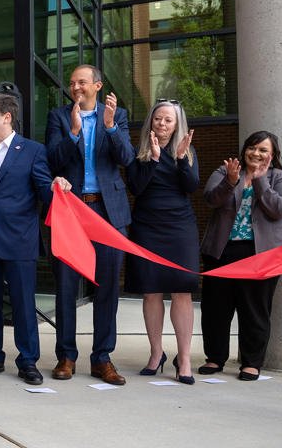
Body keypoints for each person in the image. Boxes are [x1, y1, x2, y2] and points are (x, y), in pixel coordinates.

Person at [0, 94, 70, 386]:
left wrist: (57, 186)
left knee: (23, 304)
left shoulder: (33, 151)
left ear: (6, 118)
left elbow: (44, 193)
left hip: (20, 241)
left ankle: (28, 361)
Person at [45, 64, 134, 385]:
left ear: (97, 85)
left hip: (108, 215)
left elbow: (126, 158)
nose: (76, 87)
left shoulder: (118, 115)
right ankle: (66, 356)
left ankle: (102, 359)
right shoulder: (58, 117)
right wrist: (72, 131)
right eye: (71, 83)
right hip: (71, 213)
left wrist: (109, 127)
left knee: (107, 288)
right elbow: (53, 160)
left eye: (82, 82)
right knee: (66, 287)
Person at [200, 131, 282, 381]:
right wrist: (231, 181)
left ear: (272, 155)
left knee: (254, 310)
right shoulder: (226, 172)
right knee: (215, 309)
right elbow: (210, 200)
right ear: (245, 150)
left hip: (260, 256)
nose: (256, 153)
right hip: (222, 252)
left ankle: (252, 362)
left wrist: (261, 181)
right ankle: (214, 358)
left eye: (263, 150)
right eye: (252, 148)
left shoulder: (279, 177)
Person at [124, 101, 199, 384]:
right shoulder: (137, 152)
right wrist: (154, 159)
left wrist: (180, 158)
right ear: (151, 122)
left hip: (180, 228)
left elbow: (192, 187)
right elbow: (135, 188)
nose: (162, 124)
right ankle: (157, 354)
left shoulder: (187, 150)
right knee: (151, 291)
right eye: (158, 119)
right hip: (146, 226)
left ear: (177, 124)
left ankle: (184, 358)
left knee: (182, 291)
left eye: (168, 120)